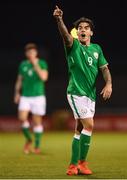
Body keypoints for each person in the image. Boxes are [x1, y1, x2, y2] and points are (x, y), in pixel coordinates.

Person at [53, 6, 112, 175]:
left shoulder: (97, 49)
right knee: (89, 125)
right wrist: (59, 20)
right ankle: (82, 163)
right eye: (80, 28)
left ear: (91, 33)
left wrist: (109, 84)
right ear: (77, 32)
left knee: (79, 129)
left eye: (86, 28)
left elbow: (105, 69)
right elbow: (65, 35)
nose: (83, 30)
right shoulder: (73, 46)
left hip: (90, 95)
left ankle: (72, 166)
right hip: (76, 92)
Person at [14, 43, 48, 154]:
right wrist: (16, 93)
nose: (31, 54)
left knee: (37, 122)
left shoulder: (42, 63)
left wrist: (35, 65)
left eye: (33, 52)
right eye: (29, 52)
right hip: (25, 96)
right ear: (26, 53)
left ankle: (37, 146)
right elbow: (19, 80)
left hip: (38, 96)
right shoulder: (23, 64)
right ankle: (29, 138)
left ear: (36, 53)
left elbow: (43, 77)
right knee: (22, 117)